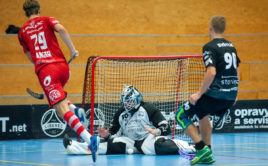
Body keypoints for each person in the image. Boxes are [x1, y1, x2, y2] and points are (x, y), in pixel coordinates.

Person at [18, 0, 99, 162]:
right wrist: (72, 50)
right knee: (60, 103)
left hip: (47, 72)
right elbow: (61, 29)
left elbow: (30, 56)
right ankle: (75, 111)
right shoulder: (47, 19)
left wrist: (42, 66)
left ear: (25, 13)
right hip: (63, 68)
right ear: (39, 10)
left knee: (61, 111)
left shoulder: (22, 33)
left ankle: (90, 139)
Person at [175, 15, 240, 165]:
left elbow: (211, 72)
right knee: (202, 115)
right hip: (230, 96)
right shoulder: (231, 46)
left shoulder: (209, 47)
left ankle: (201, 147)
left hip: (215, 94)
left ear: (210, 27)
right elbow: (236, 70)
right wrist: (235, 92)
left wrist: (198, 94)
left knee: (180, 115)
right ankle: (208, 152)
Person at [63, 85, 196, 155]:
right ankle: (75, 147)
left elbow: (167, 128)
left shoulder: (148, 108)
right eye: (125, 102)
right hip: (130, 142)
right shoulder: (121, 113)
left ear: (137, 99)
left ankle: (191, 147)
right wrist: (106, 134)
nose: (127, 105)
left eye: (130, 101)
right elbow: (113, 133)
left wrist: (156, 132)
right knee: (105, 144)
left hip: (148, 139)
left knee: (158, 147)